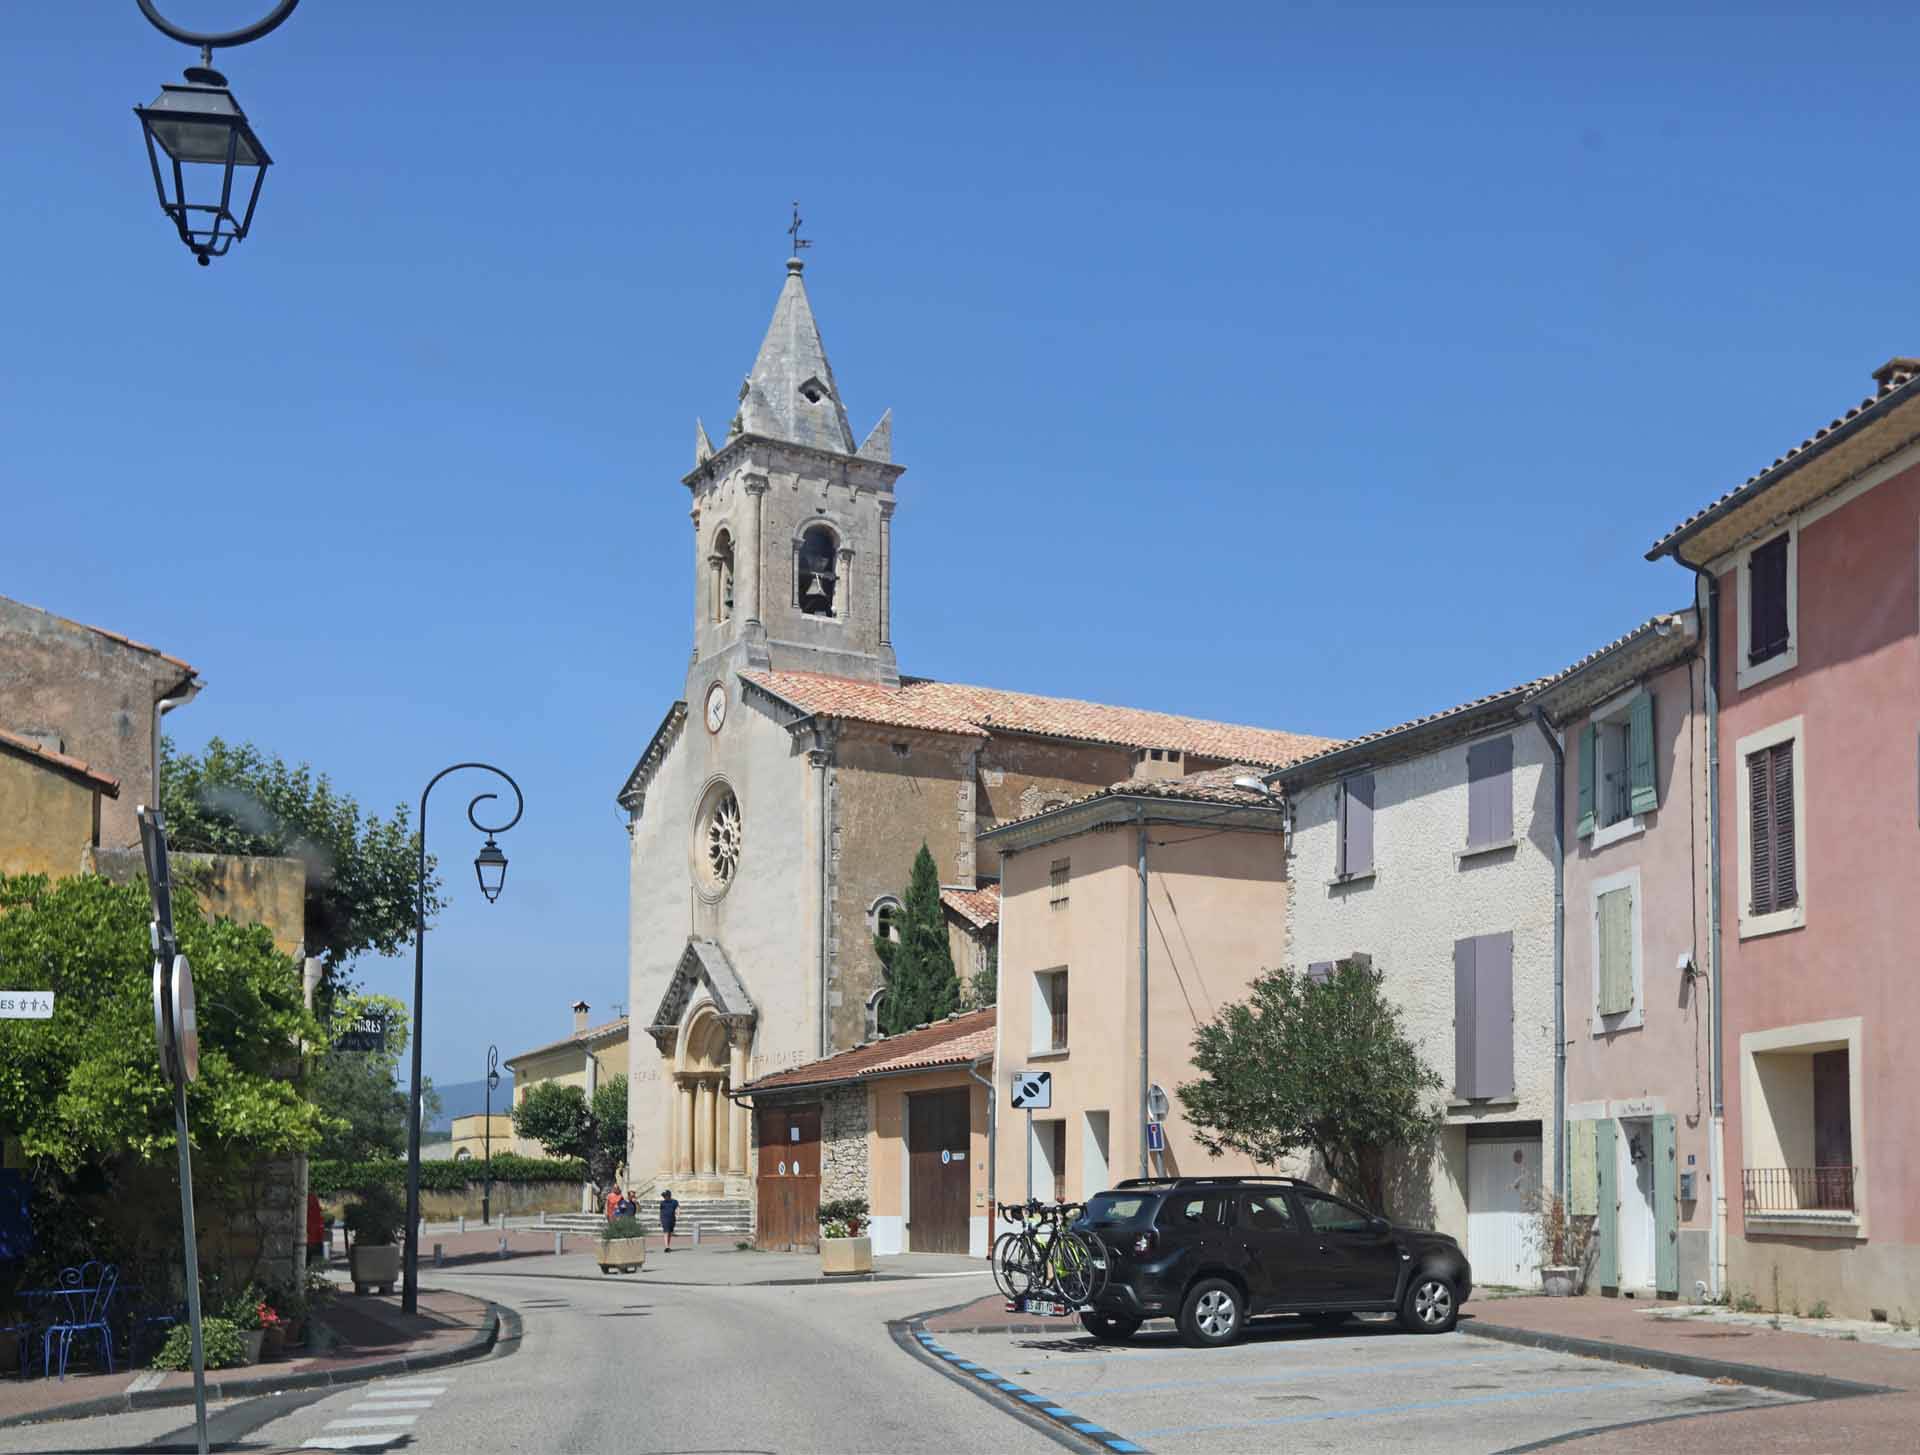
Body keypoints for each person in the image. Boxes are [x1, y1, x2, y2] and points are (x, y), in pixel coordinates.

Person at [306, 1191, 326, 1266]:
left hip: (308, 1240)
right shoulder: (317, 1210)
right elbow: (320, 1225)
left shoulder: (307, 1209)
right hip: (314, 1240)